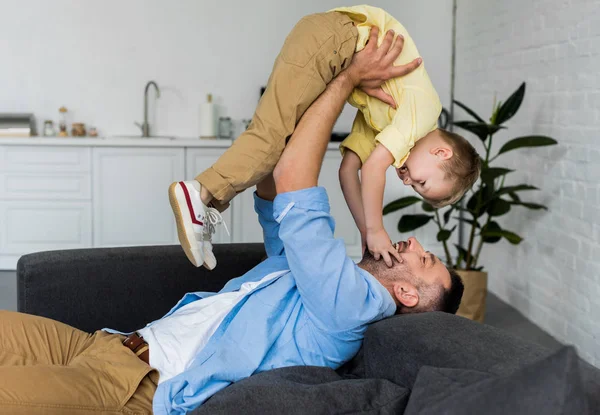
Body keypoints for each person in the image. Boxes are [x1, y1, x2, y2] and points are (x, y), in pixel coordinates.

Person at [0, 36, 464, 415]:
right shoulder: (316, 281)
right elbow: (272, 191)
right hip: (104, 344)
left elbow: (293, 180)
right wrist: (280, 116)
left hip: (130, 389)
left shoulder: (350, 306)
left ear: (405, 295)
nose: (412, 243)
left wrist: (345, 80)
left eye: (423, 260)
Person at [169, 5, 481, 269]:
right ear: (442, 153)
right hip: (337, 39)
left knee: (282, 146)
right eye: (421, 182)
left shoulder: (387, 118)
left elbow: (349, 170)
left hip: (335, 48)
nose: (408, 182)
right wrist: (376, 229)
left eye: (414, 187)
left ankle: (207, 200)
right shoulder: (424, 112)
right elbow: (374, 168)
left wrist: (364, 231)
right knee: (270, 136)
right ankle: (201, 191)